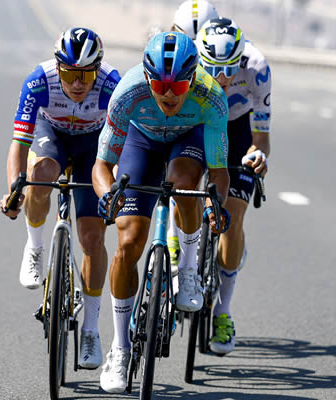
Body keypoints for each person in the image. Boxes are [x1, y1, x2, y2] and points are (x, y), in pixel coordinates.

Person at [91, 32, 230, 393]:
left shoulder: (211, 96)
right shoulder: (128, 92)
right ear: (147, 78)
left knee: (184, 183)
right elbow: (101, 166)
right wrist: (107, 195)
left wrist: (215, 204)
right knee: (129, 241)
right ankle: (120, 347)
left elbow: (218, 172)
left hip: (188, 139)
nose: (169, 94)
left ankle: (188, 270)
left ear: (193, 78)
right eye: (160, 85)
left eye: (178, 85)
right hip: (142, 141)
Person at [0, 27, 121, 369]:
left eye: (86, 75)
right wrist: (14, 191)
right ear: (58, 68)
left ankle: (91, 330)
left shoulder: (112, 84)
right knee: (40, 174)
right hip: (50, 135)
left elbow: (122, 147)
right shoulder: (39, 81)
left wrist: (113, 190)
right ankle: (35, 246)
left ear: (97, 69)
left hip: (93, 145)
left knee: (92, 238)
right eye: (69, 74)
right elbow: (19, 144)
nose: (78, 83)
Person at [176, 17, 272, 356]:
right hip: (198, 124)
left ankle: (223, 312)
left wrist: (256, 156)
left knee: (232, 219)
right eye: (212, 69)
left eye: (229, 69)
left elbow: (261, 136)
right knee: (181, 186)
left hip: (237, 129)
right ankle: (175, 252)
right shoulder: (187, 62)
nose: (221, 77)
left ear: (241, 58)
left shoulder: (258, 68)